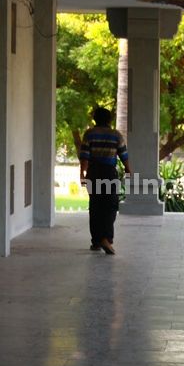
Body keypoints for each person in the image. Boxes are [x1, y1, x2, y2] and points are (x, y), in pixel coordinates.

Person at [79, 107, 132, 255]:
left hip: (93, 172)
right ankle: (106, 238)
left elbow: (84, 157)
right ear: (109, 119)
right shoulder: (116, 135)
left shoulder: (89, 134)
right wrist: (128, 169)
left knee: (95, 206)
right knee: (110, 205)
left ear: (95, 119)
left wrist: (82, 174)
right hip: (109, 173)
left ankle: (96, 241)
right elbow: (124, 155)